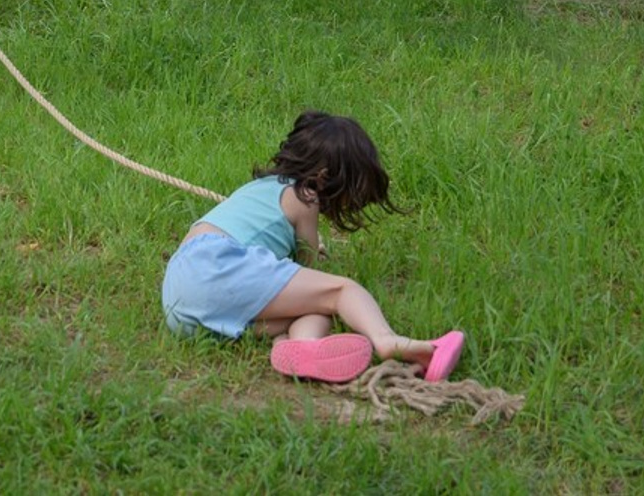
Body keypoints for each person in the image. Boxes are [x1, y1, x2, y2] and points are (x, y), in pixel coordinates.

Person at [162, 111, 465, 384]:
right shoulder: (304, 195)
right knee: (340, 293)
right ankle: (389, 341)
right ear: (323, 178)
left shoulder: (256, 189)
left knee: (308, 304)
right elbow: (309, 268)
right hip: (217, 262)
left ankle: (299, 350)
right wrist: (316, 248)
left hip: (182, 303)